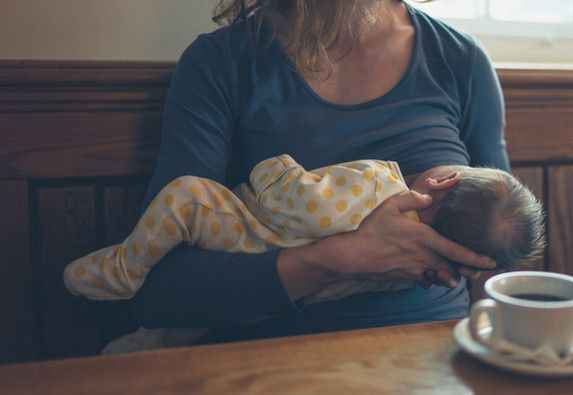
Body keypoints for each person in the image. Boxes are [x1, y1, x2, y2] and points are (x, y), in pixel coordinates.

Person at [126, 0, 510, 345]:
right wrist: (344, 259)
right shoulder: (221, 62)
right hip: (270, 359)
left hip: (434, 354)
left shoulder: (461, 60)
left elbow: (499, 247)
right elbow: (160, 292)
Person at [64, 153, 543, 353]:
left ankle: (124, 268)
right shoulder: (413, 270)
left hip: (241, 232)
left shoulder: (381, 181)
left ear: (440, 182)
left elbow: (294, 198)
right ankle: (123, 352)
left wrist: (277, 167)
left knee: (186, 197)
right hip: (268, 307)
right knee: (177, 332)